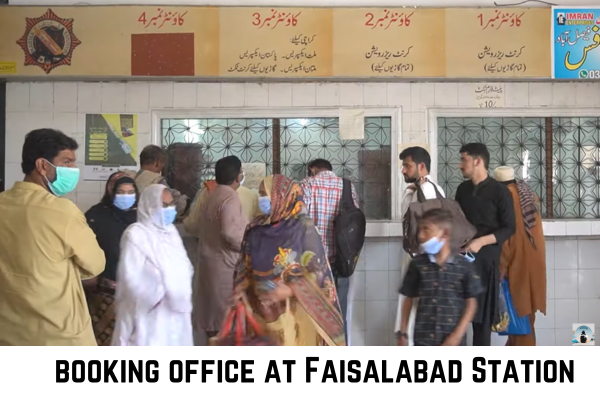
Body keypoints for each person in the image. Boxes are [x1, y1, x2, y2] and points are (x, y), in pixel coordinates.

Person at [0, 128, 105, 346]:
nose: (73, 170)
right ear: (42, 165)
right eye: (66, 163)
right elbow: (95, 265)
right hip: (58, 336)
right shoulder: (62, 211)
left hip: (9, 334)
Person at [233, 174, 346, 346]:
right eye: (261, 193)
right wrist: (239, 289)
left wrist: (291, 289)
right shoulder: (255, 229)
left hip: (295, 317)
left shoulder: (304, 229)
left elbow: (320, 274)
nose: (261, 198)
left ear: (282, 196)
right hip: (260, 315)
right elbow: (244, 268)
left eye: (266, 194)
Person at [112, 184, 194, 346]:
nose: (169, 209)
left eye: (171, 205)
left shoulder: (171, 232)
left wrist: (178, 292)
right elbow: (131, 279)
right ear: (150, 206)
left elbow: (186, 268)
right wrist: (162, 292)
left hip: (177, 316)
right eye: (163, 205)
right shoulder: (136, 234)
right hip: (148, 317)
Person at [455, 143, 515, 346]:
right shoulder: (462, 190)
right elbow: (457, 222)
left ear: (477, 161)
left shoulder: (500, 192)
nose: (460, 164)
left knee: (481, 327)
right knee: (458, 323)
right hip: (461, 264)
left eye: (463, 159)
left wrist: (480, 242)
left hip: (487, 265)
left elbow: (509, 228)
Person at [397, 209, 480, 346]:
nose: (421, 236)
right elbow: (408, 299)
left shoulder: (463, 266)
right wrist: (403, 332)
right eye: (420, 230)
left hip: (453, 343)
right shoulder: (418, 264)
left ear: (445, 234)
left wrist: (457, 335)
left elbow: (471, 304)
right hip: (423, 340)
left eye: (427, 230)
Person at [301, 158, 359, 344]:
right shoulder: (348, 187)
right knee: (339, 315)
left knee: (312, 316)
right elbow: (354, 222)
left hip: (313, 263)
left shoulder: (307, 184)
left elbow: (298, 220)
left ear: (312, 170)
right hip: (341, 261)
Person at [395, 146, 445, 346]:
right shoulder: (421, 189)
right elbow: (406, 215)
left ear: (421, 166)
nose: (403, 170)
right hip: (418, 259)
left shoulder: (428, 190)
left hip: (423, 260)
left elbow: (430, 229)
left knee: (418, 314)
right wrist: (410, 190)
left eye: (407, 165)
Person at [194, 156, 248, 339]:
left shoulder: (213, 193)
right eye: (241, 172)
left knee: (214, 318)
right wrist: (250, 246)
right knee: (225, 321)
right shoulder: (230, 197)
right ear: (237, 176)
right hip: (224, 266)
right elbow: (231, 233)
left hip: (210, 262)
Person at [493, 166, 546, 346]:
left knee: (520, 319)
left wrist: (501, 267)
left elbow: (508, 238)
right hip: (533, 265)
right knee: (524, 320)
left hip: (518, 266)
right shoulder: (526, 194)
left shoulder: (506, 198)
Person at [84, 171, 138, 346]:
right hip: (104, 293)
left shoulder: (143, 217)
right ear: (110, 189)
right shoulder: (95, 215)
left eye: (130, 192)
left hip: (138, 294)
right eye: (119, 190)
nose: (125, 196)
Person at [183, 177, 260, 237]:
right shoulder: (250, 194)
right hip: (240, 248)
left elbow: (193, 225)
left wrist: (185, 222)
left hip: (210, 249)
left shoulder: (207, 192)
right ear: (238, 177)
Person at [134, 145, 188, 216]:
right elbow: (174, 206)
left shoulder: (134, 178)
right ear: (158, 163)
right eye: (162, 166)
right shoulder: (157, 181)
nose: (161, 169)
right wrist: (184, 200)